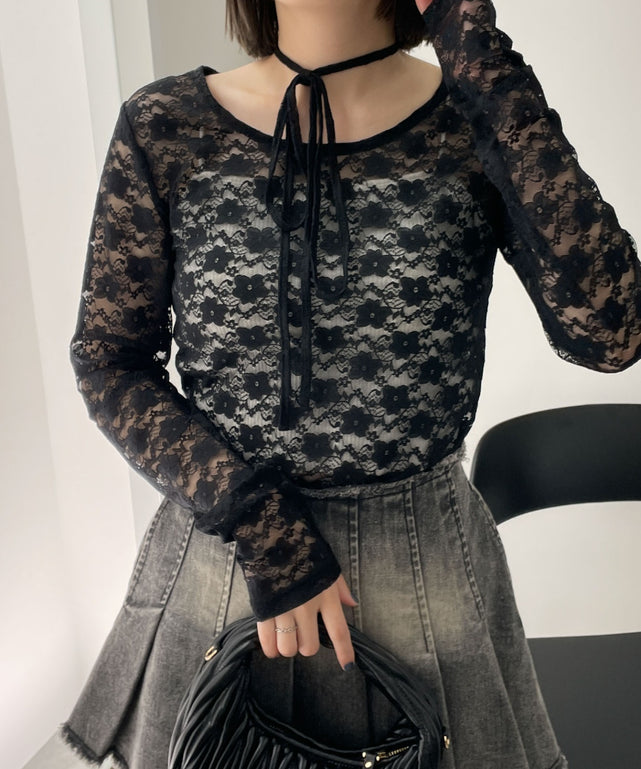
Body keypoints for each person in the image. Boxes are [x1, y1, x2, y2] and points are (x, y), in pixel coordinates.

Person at [56, 0, 641, 767]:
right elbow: (110, 360)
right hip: (224, 571)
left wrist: (475, 50)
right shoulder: (165, 125)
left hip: (426, 581)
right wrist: (262, 525)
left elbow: (610, 330)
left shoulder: (473, 119)